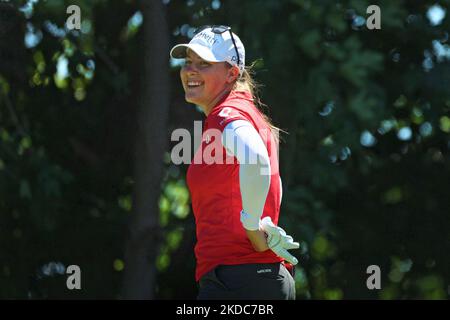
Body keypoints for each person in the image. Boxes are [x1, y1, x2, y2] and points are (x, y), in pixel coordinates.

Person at [170, 25, 300, 300]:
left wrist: (253, 226)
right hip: (255, 278)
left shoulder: (227, 114)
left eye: (204, 64)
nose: (190, 71)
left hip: (238, 280)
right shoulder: (248, 114)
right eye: (188, 62)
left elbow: (256, 160)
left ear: (231, 73)